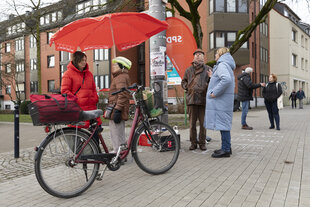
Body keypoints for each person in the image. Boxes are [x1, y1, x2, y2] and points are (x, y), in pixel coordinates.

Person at [61, 51, 102, 141]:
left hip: (91, 109)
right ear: (76, 60)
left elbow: (93, 89)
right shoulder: (68, 74)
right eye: (82, 60)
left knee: (95, 138)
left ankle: (95, 153)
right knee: (78, 139)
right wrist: (77, 100)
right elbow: (65, 91)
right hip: (79, 110)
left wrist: (95, 98)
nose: (84, 62)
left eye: (85, 60)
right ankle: (81, 154)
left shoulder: (89, 74)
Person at [204, 47, 235, 158]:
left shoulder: (222, 65)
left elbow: (226, 79)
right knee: (224, 124)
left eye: (216, 53)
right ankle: (226, 147)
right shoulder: (226, 65)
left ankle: (226, 149)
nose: (215, 56)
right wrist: (213, 77)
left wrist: (214, 92)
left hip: (220, 101)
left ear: (221, 54)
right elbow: (223, 78)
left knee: (223, 125)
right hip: (224, 101)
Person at [181, 49, 212, 151]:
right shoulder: (189, 70)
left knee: (203, 124)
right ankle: (193, 143)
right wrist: (188, 88)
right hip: (192, 99)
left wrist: (207, 84)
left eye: (200, 54)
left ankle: (202, 143)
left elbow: (213, 82)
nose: (198, 56)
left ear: (204, 57)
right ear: (193, 57)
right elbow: (183, 82)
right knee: (192, 124)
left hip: (203, 100)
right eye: (196, 55)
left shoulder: (208, 69)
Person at [108, 56, 131, 153]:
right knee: (120, 132)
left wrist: (117, 109)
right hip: (119, 108)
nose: (113, 66)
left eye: (115, 65)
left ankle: (118, 154)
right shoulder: (122, 76)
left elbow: (123, 94)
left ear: (121, 67)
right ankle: (122, 153)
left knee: (116, 133)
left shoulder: (120, 77)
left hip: (116, 108)